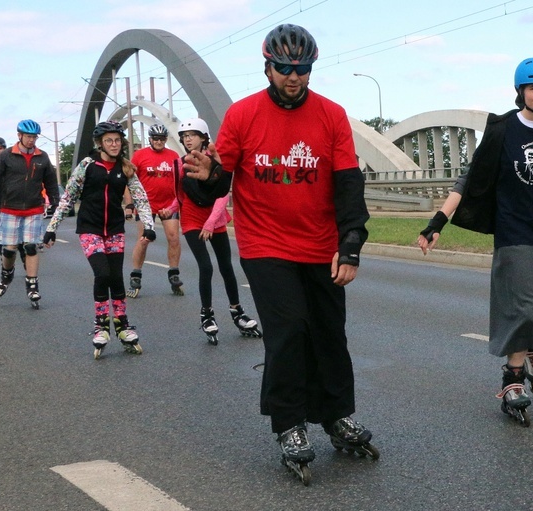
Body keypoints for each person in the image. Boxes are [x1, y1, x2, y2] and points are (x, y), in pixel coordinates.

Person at [182, 24, 378, 482]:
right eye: (285, 69)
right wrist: (207, 174)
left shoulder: (331, 115)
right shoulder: (243, 115)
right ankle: (289, 423)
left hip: (320, 243)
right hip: (265, 243)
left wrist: (351, 245)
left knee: (330, 333)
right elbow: (218, 179)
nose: (294, 77)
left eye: (303, 69)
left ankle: (335, 415)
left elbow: (349, 185)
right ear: (267, 67)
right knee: (288, 329)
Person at [417, 57, 533, 426]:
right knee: (526, 310)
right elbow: (468, 182)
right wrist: (436, 223)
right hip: (515, 233)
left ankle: (530, 344)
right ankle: (512, 381)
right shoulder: (502, 131)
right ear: (520, 92)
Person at [43, 121, 156, 359]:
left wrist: (149, 226)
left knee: (116, 277)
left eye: (117, 140)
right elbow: (68, 197)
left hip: (114, 229)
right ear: (100, 144)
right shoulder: (87, 165)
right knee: (102, 273)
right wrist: (52, 228)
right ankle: (101, 326)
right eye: (109, 141)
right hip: (90, 228)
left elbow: (141, 198)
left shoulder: (125, 168)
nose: (114, 144)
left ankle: (123, 325)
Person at [175, 118, 261, 346]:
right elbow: (181, 194)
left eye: (192, 134)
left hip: (215, 219)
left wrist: (211, 223)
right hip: (192, 220)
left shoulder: (215, 161)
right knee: (206, 266)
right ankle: (207, 315)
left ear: (204, 137)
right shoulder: (179, 163)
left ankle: (237, 312)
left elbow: (223, 195)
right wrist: (169, 209)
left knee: (227, 266)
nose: (188, 139)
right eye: (184, 136)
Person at [0, 119, 59, 309]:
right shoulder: (6, 156)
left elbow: (50, 182)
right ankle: (7, 273)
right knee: (9, 249)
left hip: (33, 208)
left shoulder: (42, 157)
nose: (32, 140)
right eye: (28, 137)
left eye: (34, 137)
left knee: (31, 247)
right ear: (19, 136)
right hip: (9, 208)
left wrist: (56, 202)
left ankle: (32, 284)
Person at [127, 124, 183, 298]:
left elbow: (181, 182)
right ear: (150, 139)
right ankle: (136, 275)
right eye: (156, 139)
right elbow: (128, 181)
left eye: (162, 139)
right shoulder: (139, 155)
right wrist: (129, 206)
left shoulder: (173, 156)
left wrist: (178, 202)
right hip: (145, 205)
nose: (159, 142)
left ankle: (174, 274)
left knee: (173, 237)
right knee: (144, 240)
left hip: (168, 204)